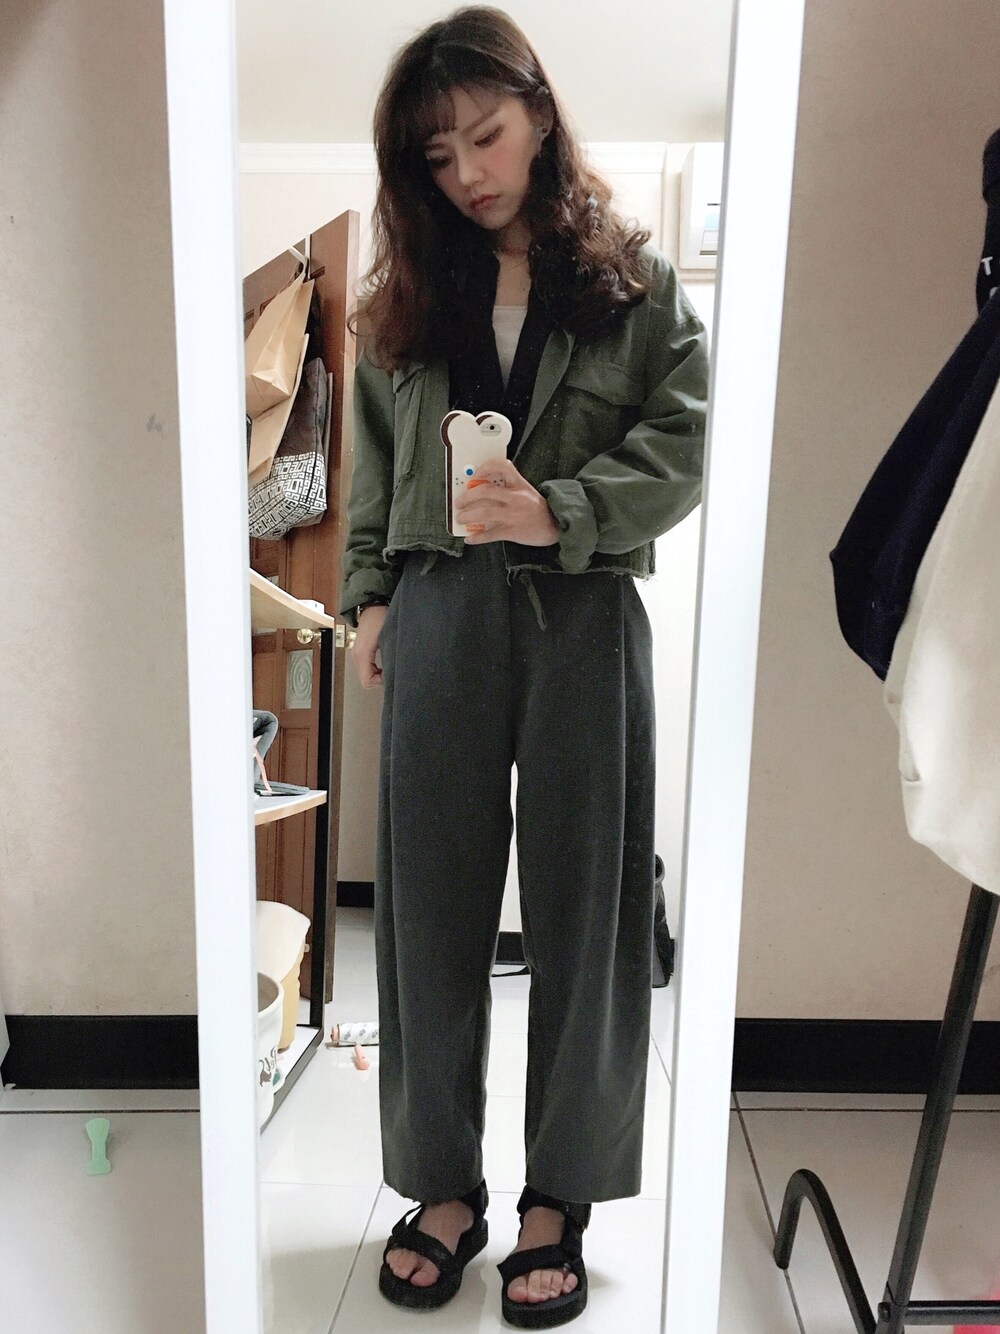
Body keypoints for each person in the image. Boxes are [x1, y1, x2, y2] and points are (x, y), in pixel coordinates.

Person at [339, 7, 709, 1326]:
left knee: (588, 910)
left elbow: (686, 440)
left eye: (485, 135)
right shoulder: (403, 299)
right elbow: (377, 468)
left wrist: (566, 512)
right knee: (428, 910)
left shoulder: (636, 286)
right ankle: (442, 1186)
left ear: (539, 114)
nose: (468, 173)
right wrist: (369, 596)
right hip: (439, 610)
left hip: (585, 612)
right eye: (437, 156)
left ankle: (562, 1193)